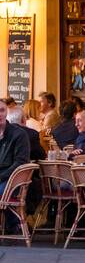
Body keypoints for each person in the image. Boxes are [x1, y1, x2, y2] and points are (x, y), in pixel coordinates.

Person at [0, 98, 32, 231]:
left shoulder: (18, 134)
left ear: (6, 112)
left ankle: (14, 223)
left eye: (1, 110)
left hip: (12, 179)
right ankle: (14, 223)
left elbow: (20, 163)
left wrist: (1, 176)